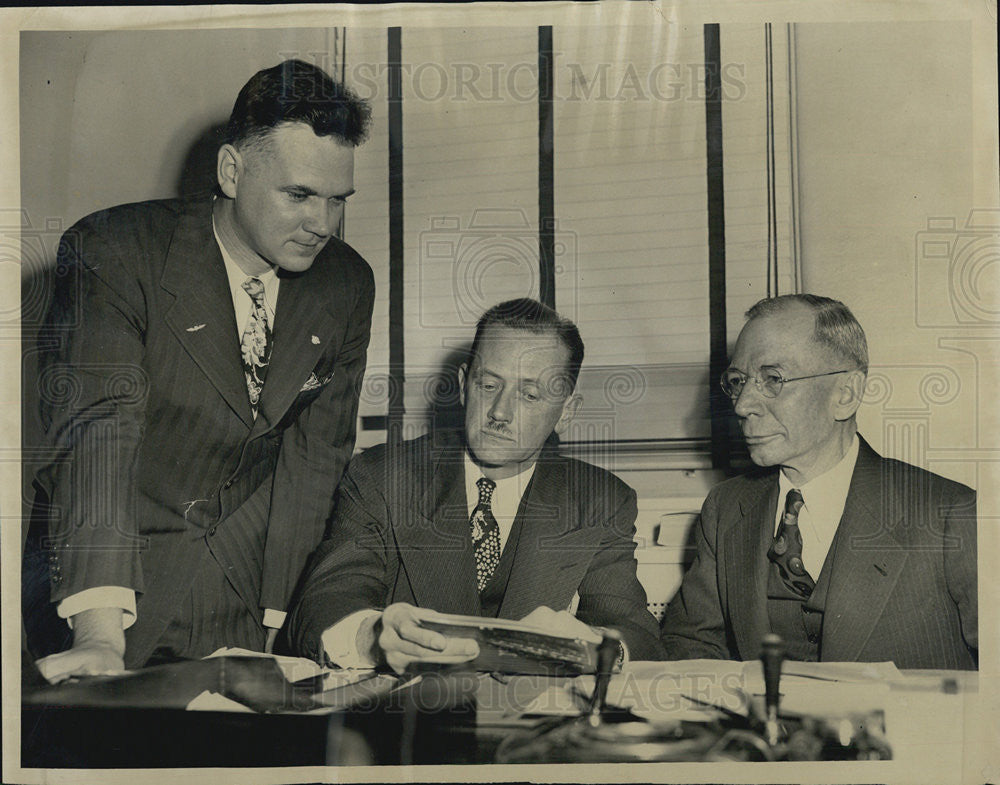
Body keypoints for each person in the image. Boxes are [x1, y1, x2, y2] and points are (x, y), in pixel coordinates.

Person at [23, 59, 376, 681]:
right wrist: (100, 633)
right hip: (114, 581)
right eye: (298, 195)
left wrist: (280, 625)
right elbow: (99, 436)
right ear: (232, 171)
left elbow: (315, 462)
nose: (322, 225)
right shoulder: (114, 249)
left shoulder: (347, 282)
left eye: (336, 200)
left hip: (248, 596)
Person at [287, 298, 662, 673]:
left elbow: (636, 632)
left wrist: (593, 646)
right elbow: (323, 604)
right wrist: (372, 638)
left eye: (530, 395)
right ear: (465, 385)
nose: (500, 412)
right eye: (488, 384)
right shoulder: (383, 475)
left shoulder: (600, 499)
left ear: (567, 411)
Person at [660, 294, 978, 669]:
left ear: (845, 394)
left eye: (773, 379)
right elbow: (689, 642)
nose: (742, 404)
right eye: (737, 381)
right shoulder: (725, 507)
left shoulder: (950, 514)